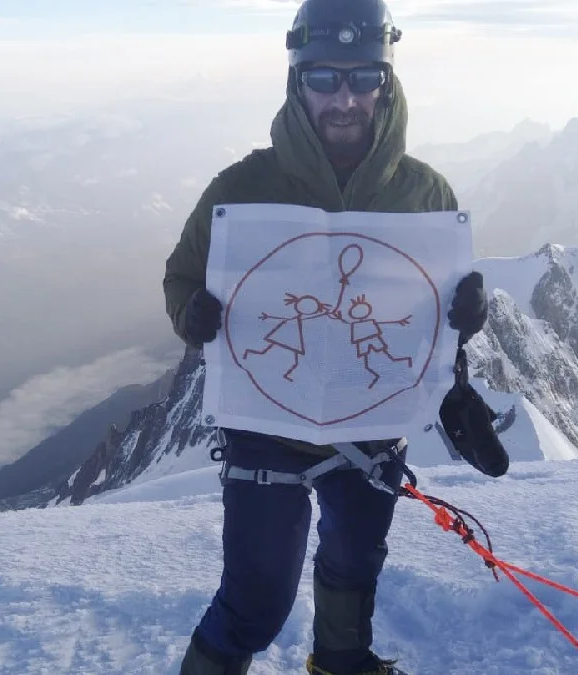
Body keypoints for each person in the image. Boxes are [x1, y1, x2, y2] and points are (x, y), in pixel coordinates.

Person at [163, 0, 488, 673]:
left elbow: (434, 314)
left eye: (363, 79)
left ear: (386, 84)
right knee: (256, 595)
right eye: (324, 79)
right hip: (267, 423)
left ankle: (341, 661)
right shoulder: (242, 187)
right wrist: (190, 310)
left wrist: (466, 316)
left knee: (354, 557)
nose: (345, 99)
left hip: (370, 422)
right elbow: (182, 275)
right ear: (297, 82)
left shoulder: (425, 196)